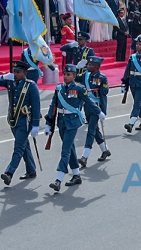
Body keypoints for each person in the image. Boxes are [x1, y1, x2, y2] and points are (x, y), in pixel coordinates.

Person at [44, 64, 103, 192]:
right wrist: (48, 122)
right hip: (61, 121)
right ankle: (76, 175)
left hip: (72, 122)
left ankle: (58, 179)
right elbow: (53, 106)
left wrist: (99, 112)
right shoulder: (59, 89)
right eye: (65, 74)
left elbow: (89, 102)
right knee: (70, 148)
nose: (65, 76)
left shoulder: (79, 89)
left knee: (65, 150)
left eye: (68, 74)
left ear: (74, 76)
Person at [0, 61, 40, 185]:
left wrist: (36, 125)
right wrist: (3, 77)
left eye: (18, 72)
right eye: (14, 72)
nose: (15, 74)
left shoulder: (30, 86)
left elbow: (36, 106)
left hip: (24, 121)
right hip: (13, 120)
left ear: (25, 73)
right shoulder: (10, 82)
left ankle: (9, 173)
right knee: (23, 146)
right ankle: (31, 170)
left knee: (18, 148)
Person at [75, 56, 110, 167]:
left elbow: (105, 92)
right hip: (87, 107)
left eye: (90, 65)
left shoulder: (102, 78)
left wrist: (97, 90)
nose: (88, 66)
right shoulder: (86, 75)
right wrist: (76, 68)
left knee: (91, 131)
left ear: (96, 67)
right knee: (95, 130)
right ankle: (105, 150)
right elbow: (76, 78)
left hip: (96, 108)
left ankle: (84, 157)